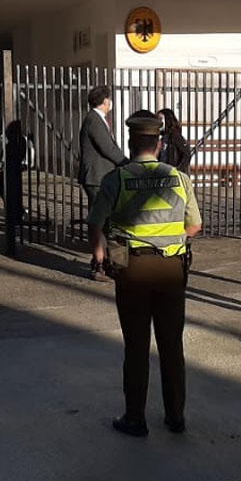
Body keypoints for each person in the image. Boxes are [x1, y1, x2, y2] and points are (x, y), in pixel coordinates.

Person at [88, 109, 202, 437]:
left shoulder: (117, 179)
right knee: (171, 344)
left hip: (132, 268)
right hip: (171, 269)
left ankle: (135, 418)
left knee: (136, 346)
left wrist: (101, 255)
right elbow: (194, 225)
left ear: (131, 140)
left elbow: (96, 223)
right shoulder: (179, 179)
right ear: (158, 142)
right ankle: (176, 416)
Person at [79, 85, 128, 281]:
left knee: (104, 221)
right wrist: (127, 163)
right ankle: (99, 264)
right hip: (96, 178)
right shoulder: (94, 120)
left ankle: (105, 263)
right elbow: (107, 148)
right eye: (109, 99)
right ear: (105, 101)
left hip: (101, 176)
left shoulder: (98, 120)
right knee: (99, 222)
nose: (111, 102)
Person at [157, 108, 192, 173]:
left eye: (160, 119)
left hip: (171, 173)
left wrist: (178, 169)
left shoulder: (175, 136)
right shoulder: (162, 137)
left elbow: (186, 154)